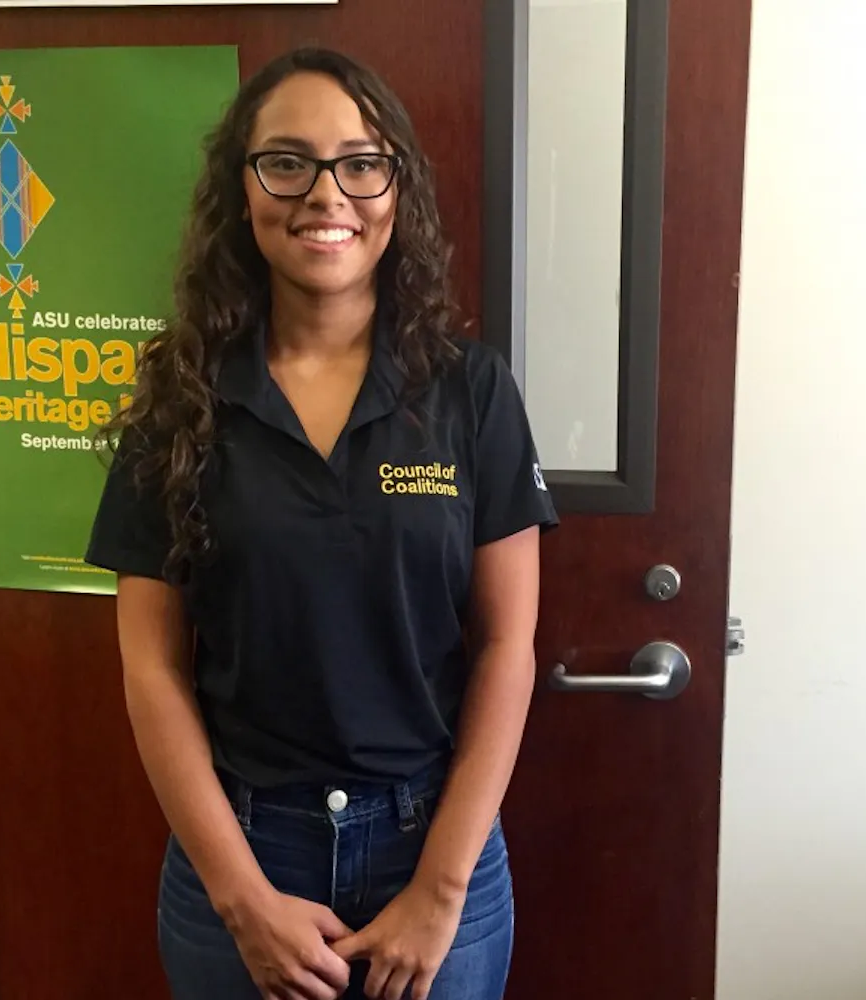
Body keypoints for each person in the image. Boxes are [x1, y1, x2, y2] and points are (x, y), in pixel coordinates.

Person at [85, 48, 557, 1000]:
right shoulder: (178, 399)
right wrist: (240, 897)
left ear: (396, 187)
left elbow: (509, 645)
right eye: (288, 161)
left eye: (359, 162)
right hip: (245, 847)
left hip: (437, 845)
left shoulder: (471, 391)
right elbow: (152, 668)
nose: (326, 194)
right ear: (243, 185)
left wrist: (441, 889)